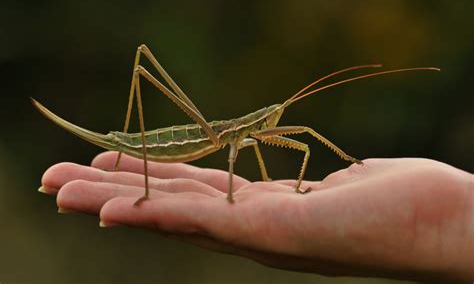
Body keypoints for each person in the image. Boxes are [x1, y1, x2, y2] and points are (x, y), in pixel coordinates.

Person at [39, 152, 473, 282]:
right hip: (201, 135)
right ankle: (146, 180)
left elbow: (296, 145)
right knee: (143, 59)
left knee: (300, 141)